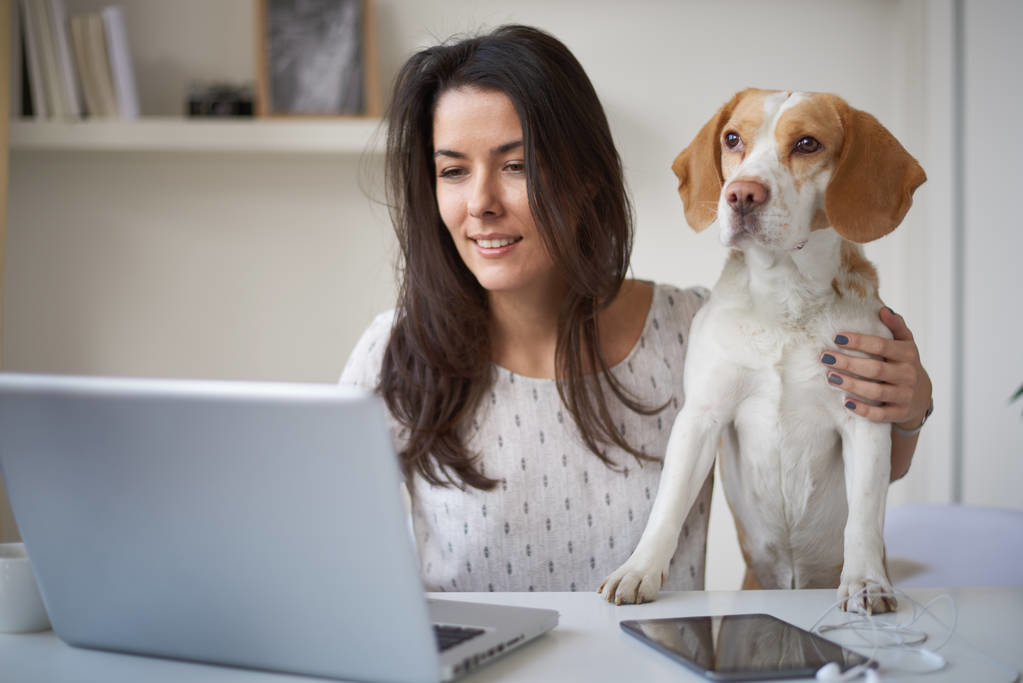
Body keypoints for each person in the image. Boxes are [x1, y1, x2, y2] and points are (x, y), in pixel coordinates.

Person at [340, 25, 933, 593]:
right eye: (452, 170)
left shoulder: (693, 330)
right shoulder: (392, 353)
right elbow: (325, 542)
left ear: (588, 178)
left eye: (517, 165)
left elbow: (845, 458)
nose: (481, 203)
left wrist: (908, 406)